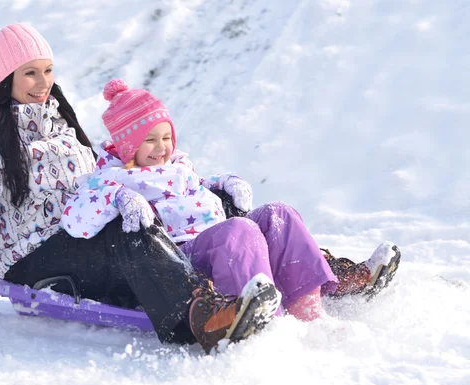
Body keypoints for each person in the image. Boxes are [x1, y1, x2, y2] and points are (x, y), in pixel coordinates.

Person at [0, 23, 281, 355]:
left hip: (83, 235)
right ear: (6, 78)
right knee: (124, 226)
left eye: (48, 70)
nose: (43, 82)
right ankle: (203, 316)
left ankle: (270, 284)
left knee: (171, 207)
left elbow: (101, 180)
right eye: (30, 72)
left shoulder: (62, 126)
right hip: (34, 260)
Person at [62, 79, 402, 323]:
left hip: (218, 238)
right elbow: (75, 218)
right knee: (239, 230)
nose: (162, 147)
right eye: (149, 140)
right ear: (125, 146)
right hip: (180, 258)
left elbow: (196, 185)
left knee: (278, 214)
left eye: (166, 136)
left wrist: (222, 182)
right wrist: (118, 197)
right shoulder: (109, 178)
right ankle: (264, 322)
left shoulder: (177, 166)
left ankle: (311, 311)